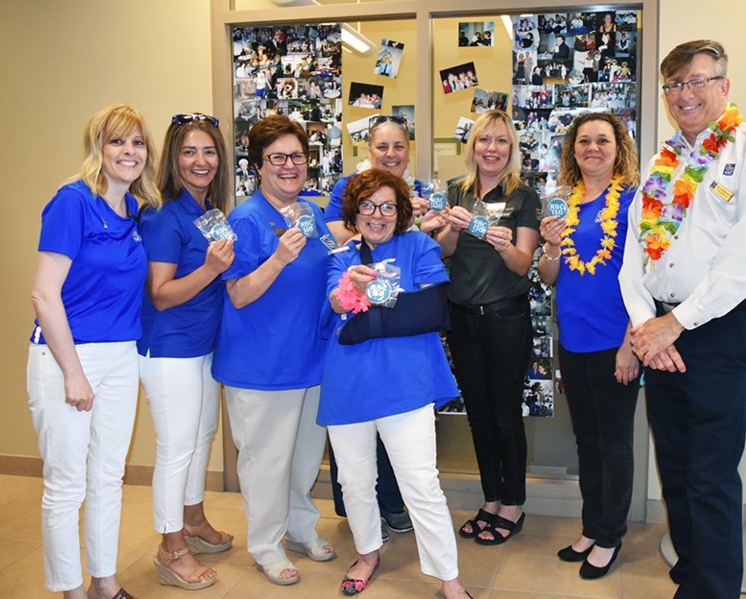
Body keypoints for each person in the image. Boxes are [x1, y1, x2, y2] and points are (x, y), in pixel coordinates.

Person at [619, 40, 746, 598]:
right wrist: (647, 324)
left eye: (697, 81)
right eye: (674, 85)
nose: (685, 94)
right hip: (661, 331)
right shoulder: (660, 162)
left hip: (719, 329)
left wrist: (679, 322)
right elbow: (634, 252)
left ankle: (714, 589)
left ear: (724, 84)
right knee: (675, 466)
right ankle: (693, 570)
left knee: (711, 474)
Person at [28, 104, 162, 599]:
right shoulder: (72, 201)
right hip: (67, 356)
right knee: (66, 485)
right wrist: (73, 373)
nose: (129, 152)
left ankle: (105, 582)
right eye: (117, 142)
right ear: (98, 149)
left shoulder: (136, 212)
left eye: (137, 143)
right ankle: (70, 591)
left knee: (108, 476)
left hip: (121, 356)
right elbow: (44, 294)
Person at [319, 169, 472, 599]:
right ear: (353, 213)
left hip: (407, 384)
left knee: (421, 483)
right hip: (349, 385)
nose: (377, 215)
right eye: (367, 206)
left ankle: (449, 578)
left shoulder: (420, 246)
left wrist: (368, 312)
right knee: (354, 480)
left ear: (401, 211)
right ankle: (368, 553)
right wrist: (352, 288)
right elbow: (335, 302)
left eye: (388, 206)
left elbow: (431, 307)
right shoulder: (341, 258)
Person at [211, 115, 335, 586]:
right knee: (266, 462)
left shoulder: (311, 211)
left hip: (309, 359)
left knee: (304, 457)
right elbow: (239, 293)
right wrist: (279, 257)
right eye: (277, 158)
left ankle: (301, 527)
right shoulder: (244, 218)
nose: (289, 166)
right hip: (261, 365)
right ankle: (266, 544)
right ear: (258, 165)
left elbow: (326, 263)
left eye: (297, 157)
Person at [536, 112, 641, 580]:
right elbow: (548, 276)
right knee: (587, 440)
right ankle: (591, 526)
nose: (592, 148)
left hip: (616, 341)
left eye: (603, 140)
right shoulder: (562, 203)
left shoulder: (634, 203)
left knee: (614, 443)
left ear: (618, 148)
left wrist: (630, 345)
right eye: (584, 141)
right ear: (572, 150)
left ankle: (611, 535)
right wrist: (551, 247)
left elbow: (645, 279)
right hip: (573, 339)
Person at [137, 113, 234, 590]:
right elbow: (160, 292)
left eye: (209, 151)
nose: (201, 161)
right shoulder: (162, 214)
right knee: (176, 448)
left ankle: (193, 519)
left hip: (204, 344)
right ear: (174, 159)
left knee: (202, 436)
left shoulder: (208, 211)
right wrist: (211, 269)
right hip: (169, 347)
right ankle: (170, 546)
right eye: (190, 152)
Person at [436, 109, 542, 546]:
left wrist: (502, 243)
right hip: (462, 317)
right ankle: (491, 498)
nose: (492, 149)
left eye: (501, 141)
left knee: (504, 416)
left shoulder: (524, 197)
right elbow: (444, 252)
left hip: (505, 317)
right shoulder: (455, 191)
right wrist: (448, 228)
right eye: (484, 140)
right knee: (478, 417)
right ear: (472, 146)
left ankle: (513, 503)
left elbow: (522, 264)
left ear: (511, 149)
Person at [324, 116, 445, 245]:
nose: (391, 154)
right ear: (370, 152)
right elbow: (337, 240)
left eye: (398, 147)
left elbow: (442, 250)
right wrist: (399, 221)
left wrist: (446, 223)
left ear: (408, 152)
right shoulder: (347, 187)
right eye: (382, 147)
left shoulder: (423, 191)